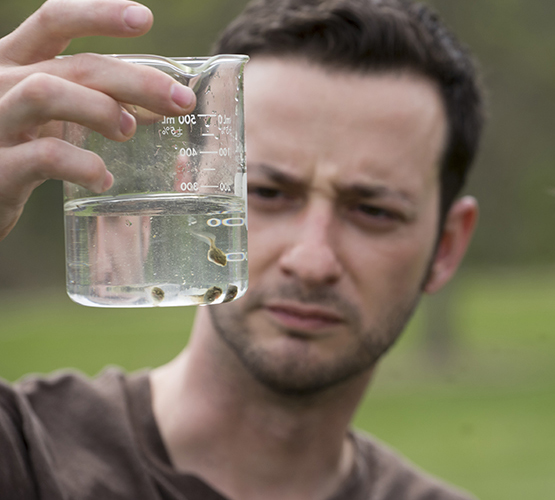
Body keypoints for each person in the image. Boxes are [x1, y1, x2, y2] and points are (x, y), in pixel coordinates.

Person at [0, 0, 485, 498]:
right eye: (268, 193)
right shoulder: (24, 455)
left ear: (445, 248)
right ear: (185, 183)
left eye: (373, 211)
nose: (312, 261)